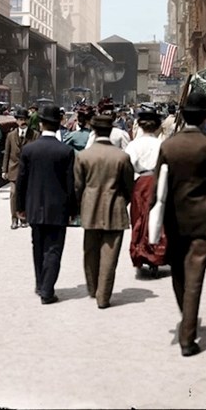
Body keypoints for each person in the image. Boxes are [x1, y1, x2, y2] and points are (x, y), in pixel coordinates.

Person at [152, 91, 206, 356]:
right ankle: (188, 337)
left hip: (174, 219)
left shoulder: (168, 145)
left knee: (178, 272)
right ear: (205, 118)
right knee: (195, 278)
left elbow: (157, 186)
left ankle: (186, 318)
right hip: (204, 218)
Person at [16, 105, 76, 304]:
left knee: (38, 245)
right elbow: (70, 185)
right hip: (58, 209)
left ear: (40, 124)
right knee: (54, 249)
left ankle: (40, 283)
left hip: (33, 206)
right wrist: (73, 210)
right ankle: (47, 290)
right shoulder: (66, 151)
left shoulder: (28, 150)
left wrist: (19, 207)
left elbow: (21, 181)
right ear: (59, 124)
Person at [74, 114, 134, 309]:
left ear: (93, 130)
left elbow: (78, 186)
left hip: (90, 208)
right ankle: (104, 296)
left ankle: (93, 289)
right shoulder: (122, 157)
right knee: (110, 255)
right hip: (115, 208)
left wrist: (80, 205)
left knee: (90, 251)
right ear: (111, 131)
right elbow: (128, 187)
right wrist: (122, 201)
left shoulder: (83, 156)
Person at [124, 108, 166, 273]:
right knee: (157, 219)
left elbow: (128, 166)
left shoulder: (133, 145)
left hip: (141, 183)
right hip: (159, 181)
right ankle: (156, 254)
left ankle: (141, 253)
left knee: (139, 218)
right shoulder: (162, 144)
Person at [2, 109, 39, 229]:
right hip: (14, 169)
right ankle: (14, 219)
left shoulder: (35, 135)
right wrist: (4, 170)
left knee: (26, 195)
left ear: (27, 120)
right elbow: (7, 153)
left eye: (24, 119)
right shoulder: (10, 135)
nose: (22, 122)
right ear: (16, 121)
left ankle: (24, 218)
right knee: (13, 194)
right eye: (19, 119)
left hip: (29, 170)